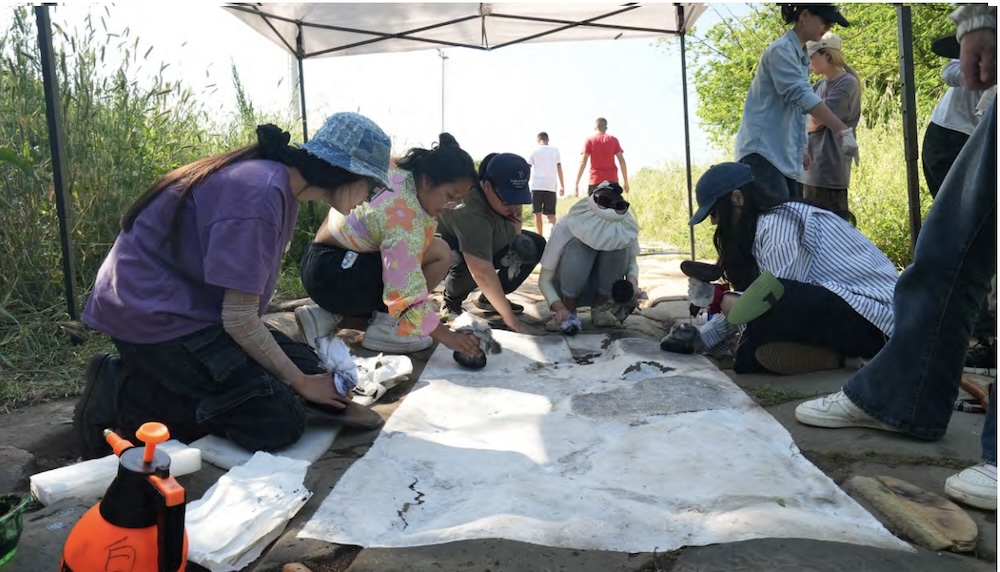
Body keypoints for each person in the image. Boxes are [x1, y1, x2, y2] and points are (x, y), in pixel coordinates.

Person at [74, 112, 391, 460]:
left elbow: (239, 311)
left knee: (312, 370)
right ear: (346, 172)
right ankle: (123, 391)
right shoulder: (260, 193)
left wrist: (297, 377)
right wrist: (296, 384)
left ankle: (227, 392)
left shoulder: (285, 189)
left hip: (197, 312)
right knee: (279, 419)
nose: (370, 199)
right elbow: (239, 318)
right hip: (155, 320)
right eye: (372, 187)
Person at [796, 5, 997, 511]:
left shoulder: (842, 84)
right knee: (949, 244)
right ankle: (899, 396)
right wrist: (979, 20)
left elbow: (823, 124)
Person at [660, 162, 898, 376]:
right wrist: (701, 339)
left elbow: (771, 300)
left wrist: (716, 298)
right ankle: (841, 360)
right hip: (848, 316)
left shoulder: (778, 225)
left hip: (878, 320)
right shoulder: (760, 230)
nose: (714, 222)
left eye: (714, 213)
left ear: (737, 198)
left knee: (766, 309)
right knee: (748, 358)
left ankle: (846, 355)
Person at [296, 133, 482, 357]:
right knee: (407, 275)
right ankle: (387, 328)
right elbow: (404, 290)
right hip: (331, 274)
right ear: (427, 181)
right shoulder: (405, 217)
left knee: (440, 252)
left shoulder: (403, 171)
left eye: (458, 201)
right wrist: (447, 336)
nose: (450, 206)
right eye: (450, 196)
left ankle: (325, 317)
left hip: (329, 261)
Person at [734, 4, 858, 203]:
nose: (828, 26)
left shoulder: (799, 57)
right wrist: (842, 130)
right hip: (763, 154)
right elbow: (801, 95)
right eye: (825, 20)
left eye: (831, 23)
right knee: (777, 225)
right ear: (805, 16)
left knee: (788, 224)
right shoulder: (780, 51)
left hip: (782, 157)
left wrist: (801, 147)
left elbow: (796, 110)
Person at [437, 153, 546, 333]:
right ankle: (451, 302)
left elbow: (515, 233)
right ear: (486, 186)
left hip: (489, 238)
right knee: (469, 262)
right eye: (509, 200)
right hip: (453, 247)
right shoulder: (468, 208)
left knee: (533, 244)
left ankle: (492, 299)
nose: (515, 205)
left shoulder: (508, 197)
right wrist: (510, 320)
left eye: (519, 198)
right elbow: (481, 270)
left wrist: (513, 227)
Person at [538, 181, 641, 334]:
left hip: (602, 288)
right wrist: (559, 308)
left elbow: (631, 262)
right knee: (581, 247)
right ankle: (569, 309)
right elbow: (544, 280)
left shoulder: (623, 227)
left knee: (618, 247)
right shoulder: (567, 224)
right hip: (567, 286)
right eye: (605, 202)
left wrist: (632, 286)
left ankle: (601, 308)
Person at [800, 32, 862, 223]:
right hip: (811, 171)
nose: (808, 62)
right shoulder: (819, 85)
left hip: (829, 171)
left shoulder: (847, 83)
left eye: (811, 56)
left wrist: (811, 120)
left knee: (834, 231)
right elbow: (802, 119)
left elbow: (815, 120)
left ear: (827, 55)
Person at [921, 59, 985, 199]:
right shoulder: (986, 41)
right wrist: (979, 75)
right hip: (946, 132)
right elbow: (948, 72)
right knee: (949, 206)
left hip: (979, 140)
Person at [574, 117, 628, 196]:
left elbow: (583, 162)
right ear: (606, 128)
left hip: (595, 182)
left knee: (594, 207)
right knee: (613, 206)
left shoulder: (589, 141)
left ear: (595, 127)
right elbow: (621, 161)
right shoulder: (613, 140)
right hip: (612, 180)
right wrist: (626, 182)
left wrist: (576, 183)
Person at [528, 131, 565, 235]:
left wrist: (524, 183)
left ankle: (540, 236)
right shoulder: (555, 151)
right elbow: (559, 168)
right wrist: (562, 186)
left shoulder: (534, 151)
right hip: (551, 186)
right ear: (548, 140)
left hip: (537, 186)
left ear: (538, 140)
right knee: (551, 215)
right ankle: (556, 235)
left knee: (537, 214)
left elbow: (528, 167)